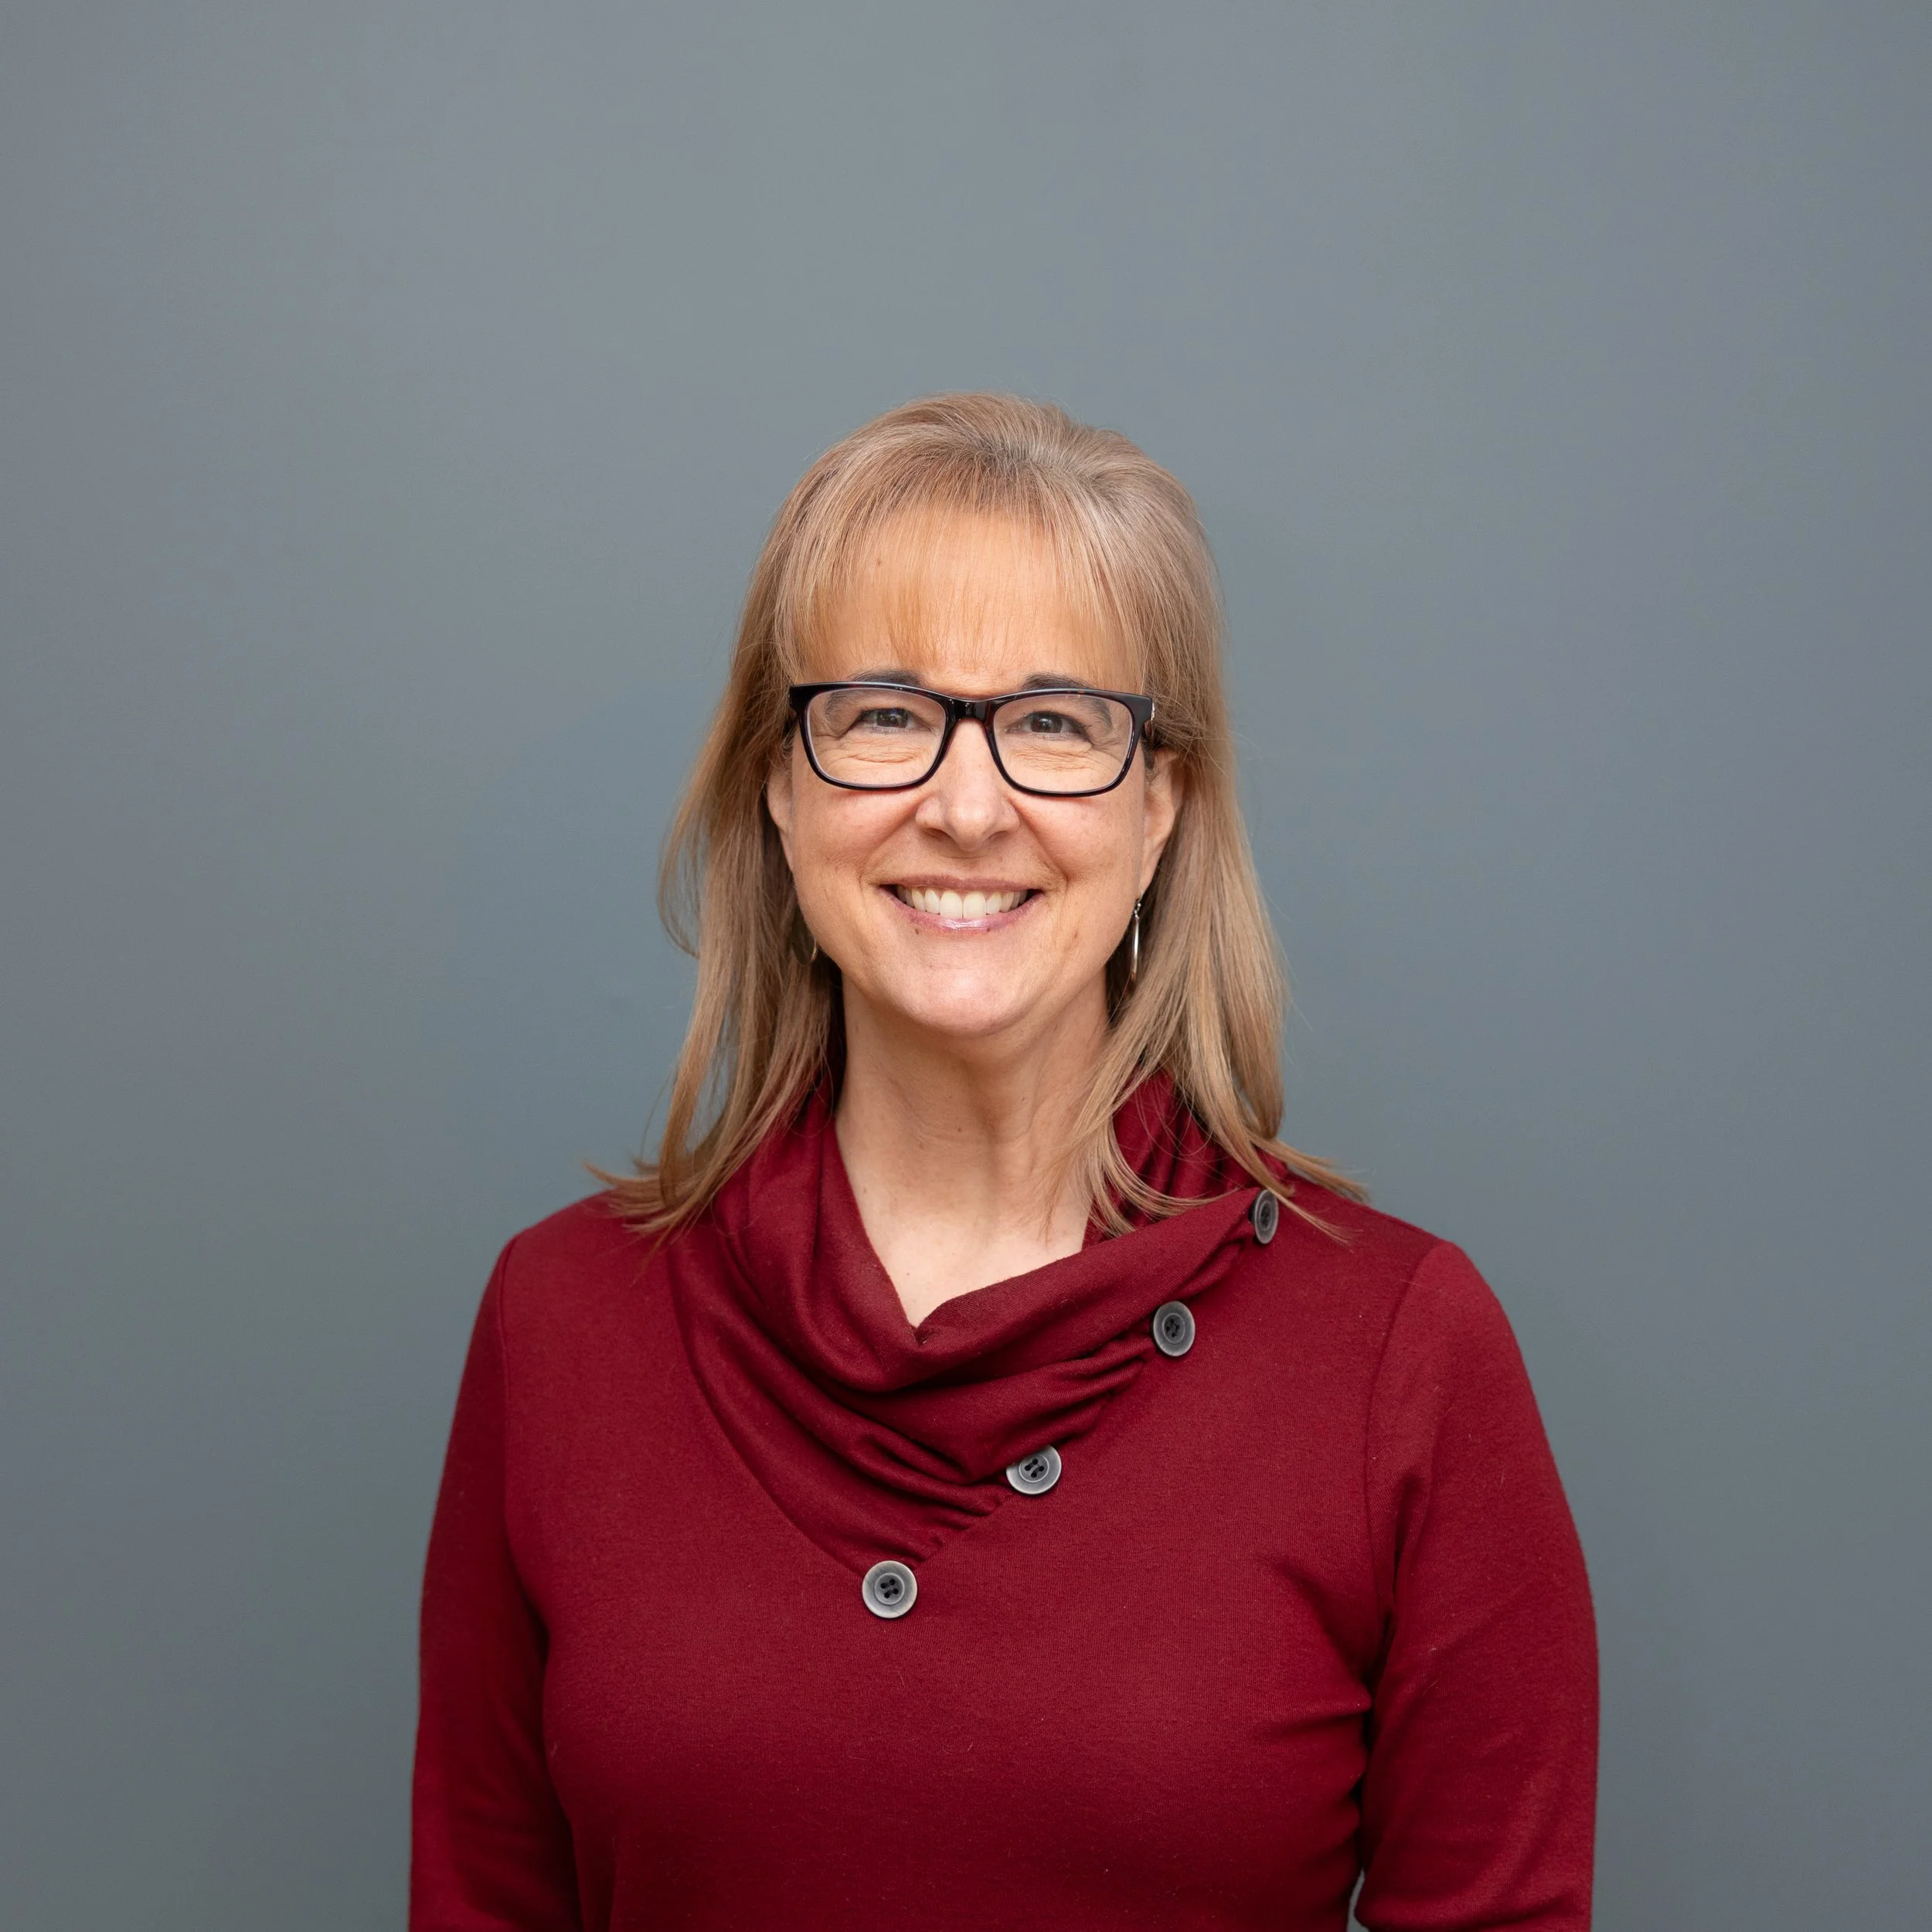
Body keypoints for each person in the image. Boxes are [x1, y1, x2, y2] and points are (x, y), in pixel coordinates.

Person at [411, 394, 1597, 1930]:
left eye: (1052, 722)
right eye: (885, 713)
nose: (965, 807)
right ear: (778, 784)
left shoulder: (1397, 1346)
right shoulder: (561, 1317)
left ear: (1160, 800)